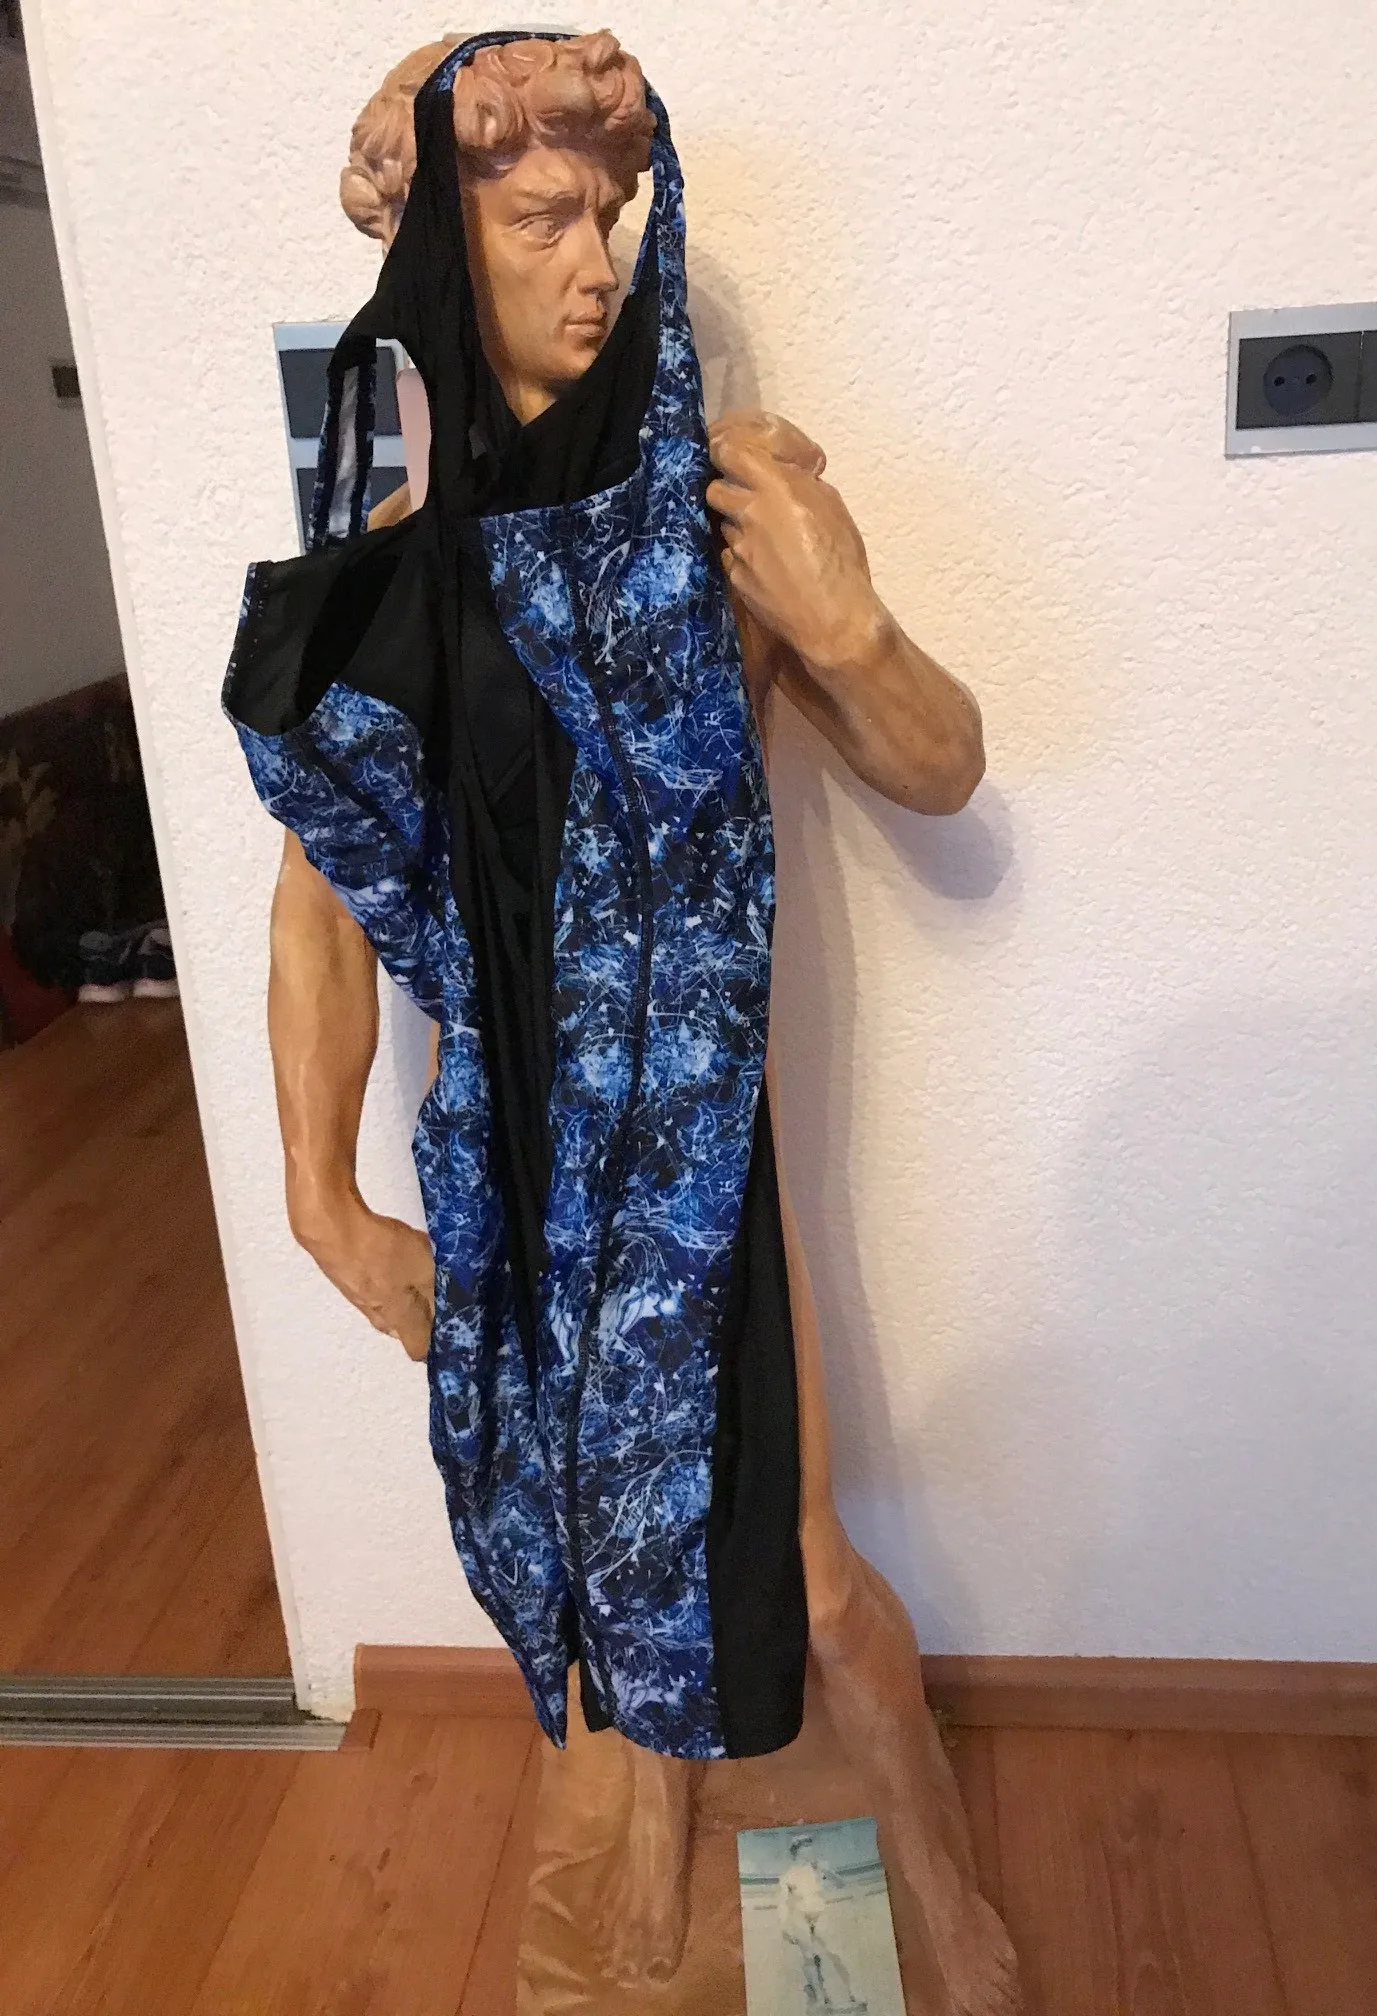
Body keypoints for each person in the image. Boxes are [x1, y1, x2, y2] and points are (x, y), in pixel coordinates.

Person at [227, 30, 1019, 2016]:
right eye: (538, 221)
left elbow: (941, 768)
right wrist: (322, 1203)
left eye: (610, 216)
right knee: (588, 1561)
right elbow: (316, 904)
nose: (591, 264)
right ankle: (650, 1813)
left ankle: (924, 1850)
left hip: (696, 1173)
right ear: (442, 253)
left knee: (801, 1566)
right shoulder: (385, 576)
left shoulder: (728, 502)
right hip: (511, 1171)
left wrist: (847, 627)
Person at [777, 1837, 864, 2012]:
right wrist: (784, 1926)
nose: (810, 1850)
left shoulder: (819, 1867)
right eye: (805, 1847)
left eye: (810, 1847)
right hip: (799, 1916)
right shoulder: (788, 1875)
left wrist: (828, 1871)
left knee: (835, 1952)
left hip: (820, 1912)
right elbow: (783, 1902)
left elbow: (841, 1884)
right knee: (808, 1957)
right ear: (797, 1851)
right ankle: (819, 1997)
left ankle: (854, 1991)